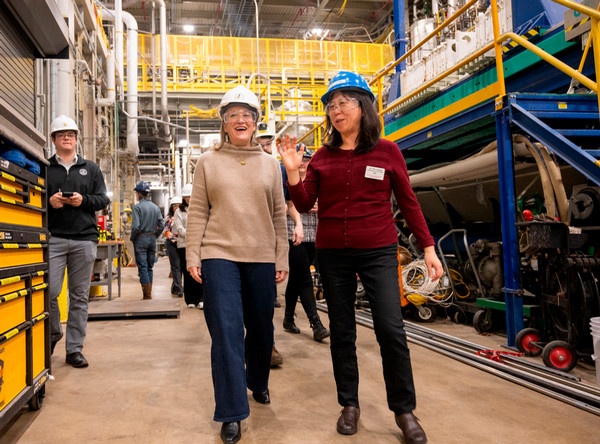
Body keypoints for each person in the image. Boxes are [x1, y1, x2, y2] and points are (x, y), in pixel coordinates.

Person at [278, 71, 443, 444]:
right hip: (333, 253)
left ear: (363, 106)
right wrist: (292, 173)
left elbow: (408, 201)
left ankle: (404, 410)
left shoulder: (387, 151)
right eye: (331, 105)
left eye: (344, 102)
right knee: (342, 331)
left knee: (390, 329)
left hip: (378, 251)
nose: (336, 110)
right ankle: (349, 404)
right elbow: (304, 203)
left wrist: (428, 245)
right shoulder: (321, 156)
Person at [186, 85, 288, 444]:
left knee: (261, 329)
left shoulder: (271, 165)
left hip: (261, 255)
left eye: (247, 114)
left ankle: (257, 381)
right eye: (233, 115)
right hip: (219, 255)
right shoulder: (207, 162)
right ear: (224, 124)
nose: (241, 119)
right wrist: (193, 253)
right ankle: (231, 412)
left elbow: (279, 214)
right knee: (226, 333)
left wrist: (282, 256)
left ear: (256, 122)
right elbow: (197, 211)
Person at [47, 115, 110, 368]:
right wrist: (48, 202)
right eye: (61, 135)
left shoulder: (91, 168)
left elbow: (102, 200)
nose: (67, 138)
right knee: (49, 292)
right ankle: (53, 333)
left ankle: (74, 349)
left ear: (76, 139)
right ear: (53, 139)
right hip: (54, 239)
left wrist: (83, 200)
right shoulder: (44, 168)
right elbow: (33, 198)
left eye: (71, 134)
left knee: (79, 296)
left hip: (84, 239)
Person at [282, 148, 329, 342]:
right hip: (293, 234)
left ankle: (287, 319)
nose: (303, 162)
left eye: (307, 159)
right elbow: (283, 206)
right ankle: (315, 323)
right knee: (304, 278)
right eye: (300, 159)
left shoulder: (316, 181)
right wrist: (304, 206)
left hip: (314, 236)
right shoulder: (288, 182)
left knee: (296, 278)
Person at [257, 121, 284, 366]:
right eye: (261, 143)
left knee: (265, 302)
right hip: (241, 245)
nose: (265, 147)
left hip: (269, 242)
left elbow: (284, 207)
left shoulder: (278, 168)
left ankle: (270, 344)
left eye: (268, 143)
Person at [131, 181, 164, 300]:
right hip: (152, 239)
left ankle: (147, 295)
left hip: (140, 238)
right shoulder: (155, 207)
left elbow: (135, 226)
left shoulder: (137, 208)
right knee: (150, 267)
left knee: (143, 267)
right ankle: (148, 293)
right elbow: (161, 225)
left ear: (139, 193)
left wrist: (133, 237)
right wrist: (155, 235)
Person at [172, 184, 203, 308]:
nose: (189, 199)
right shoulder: (179, 211)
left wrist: (196, 236)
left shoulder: (200, 209)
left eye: (190, 196)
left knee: (199, 271)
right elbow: (179, 227)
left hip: (199, 245)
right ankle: (190, 300)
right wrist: (192, 235)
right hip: (184, 244)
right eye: (186, 197)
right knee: (187, 272)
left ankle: (201, 298)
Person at [164, 196, 183, 296]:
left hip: (183, 243)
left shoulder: (184, 216)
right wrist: (174, 238)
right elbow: (166, 231)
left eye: (179, 205)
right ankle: (180, 289)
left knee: (181, 266)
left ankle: (175, 287)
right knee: (175, 266)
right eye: (175, 206)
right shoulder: (169, 218)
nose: (177, 207)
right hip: (172, 244)